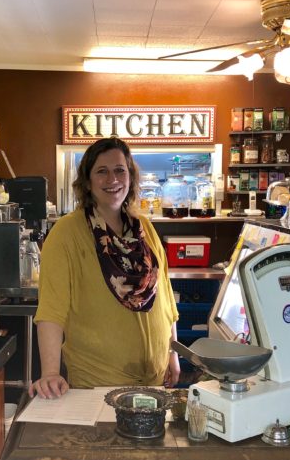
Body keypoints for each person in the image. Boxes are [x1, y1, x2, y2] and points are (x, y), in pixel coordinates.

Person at [30, 137, 179, 398]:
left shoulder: (145, 229)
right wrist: (51, 373)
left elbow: (165, 297)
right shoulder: (66, 233)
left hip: (154, 379)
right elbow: (51, 310)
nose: (113, 179)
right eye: (102, 171)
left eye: (120, 170)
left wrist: (173, 352)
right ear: (87, 182)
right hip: (96, 383)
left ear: (130, 177)